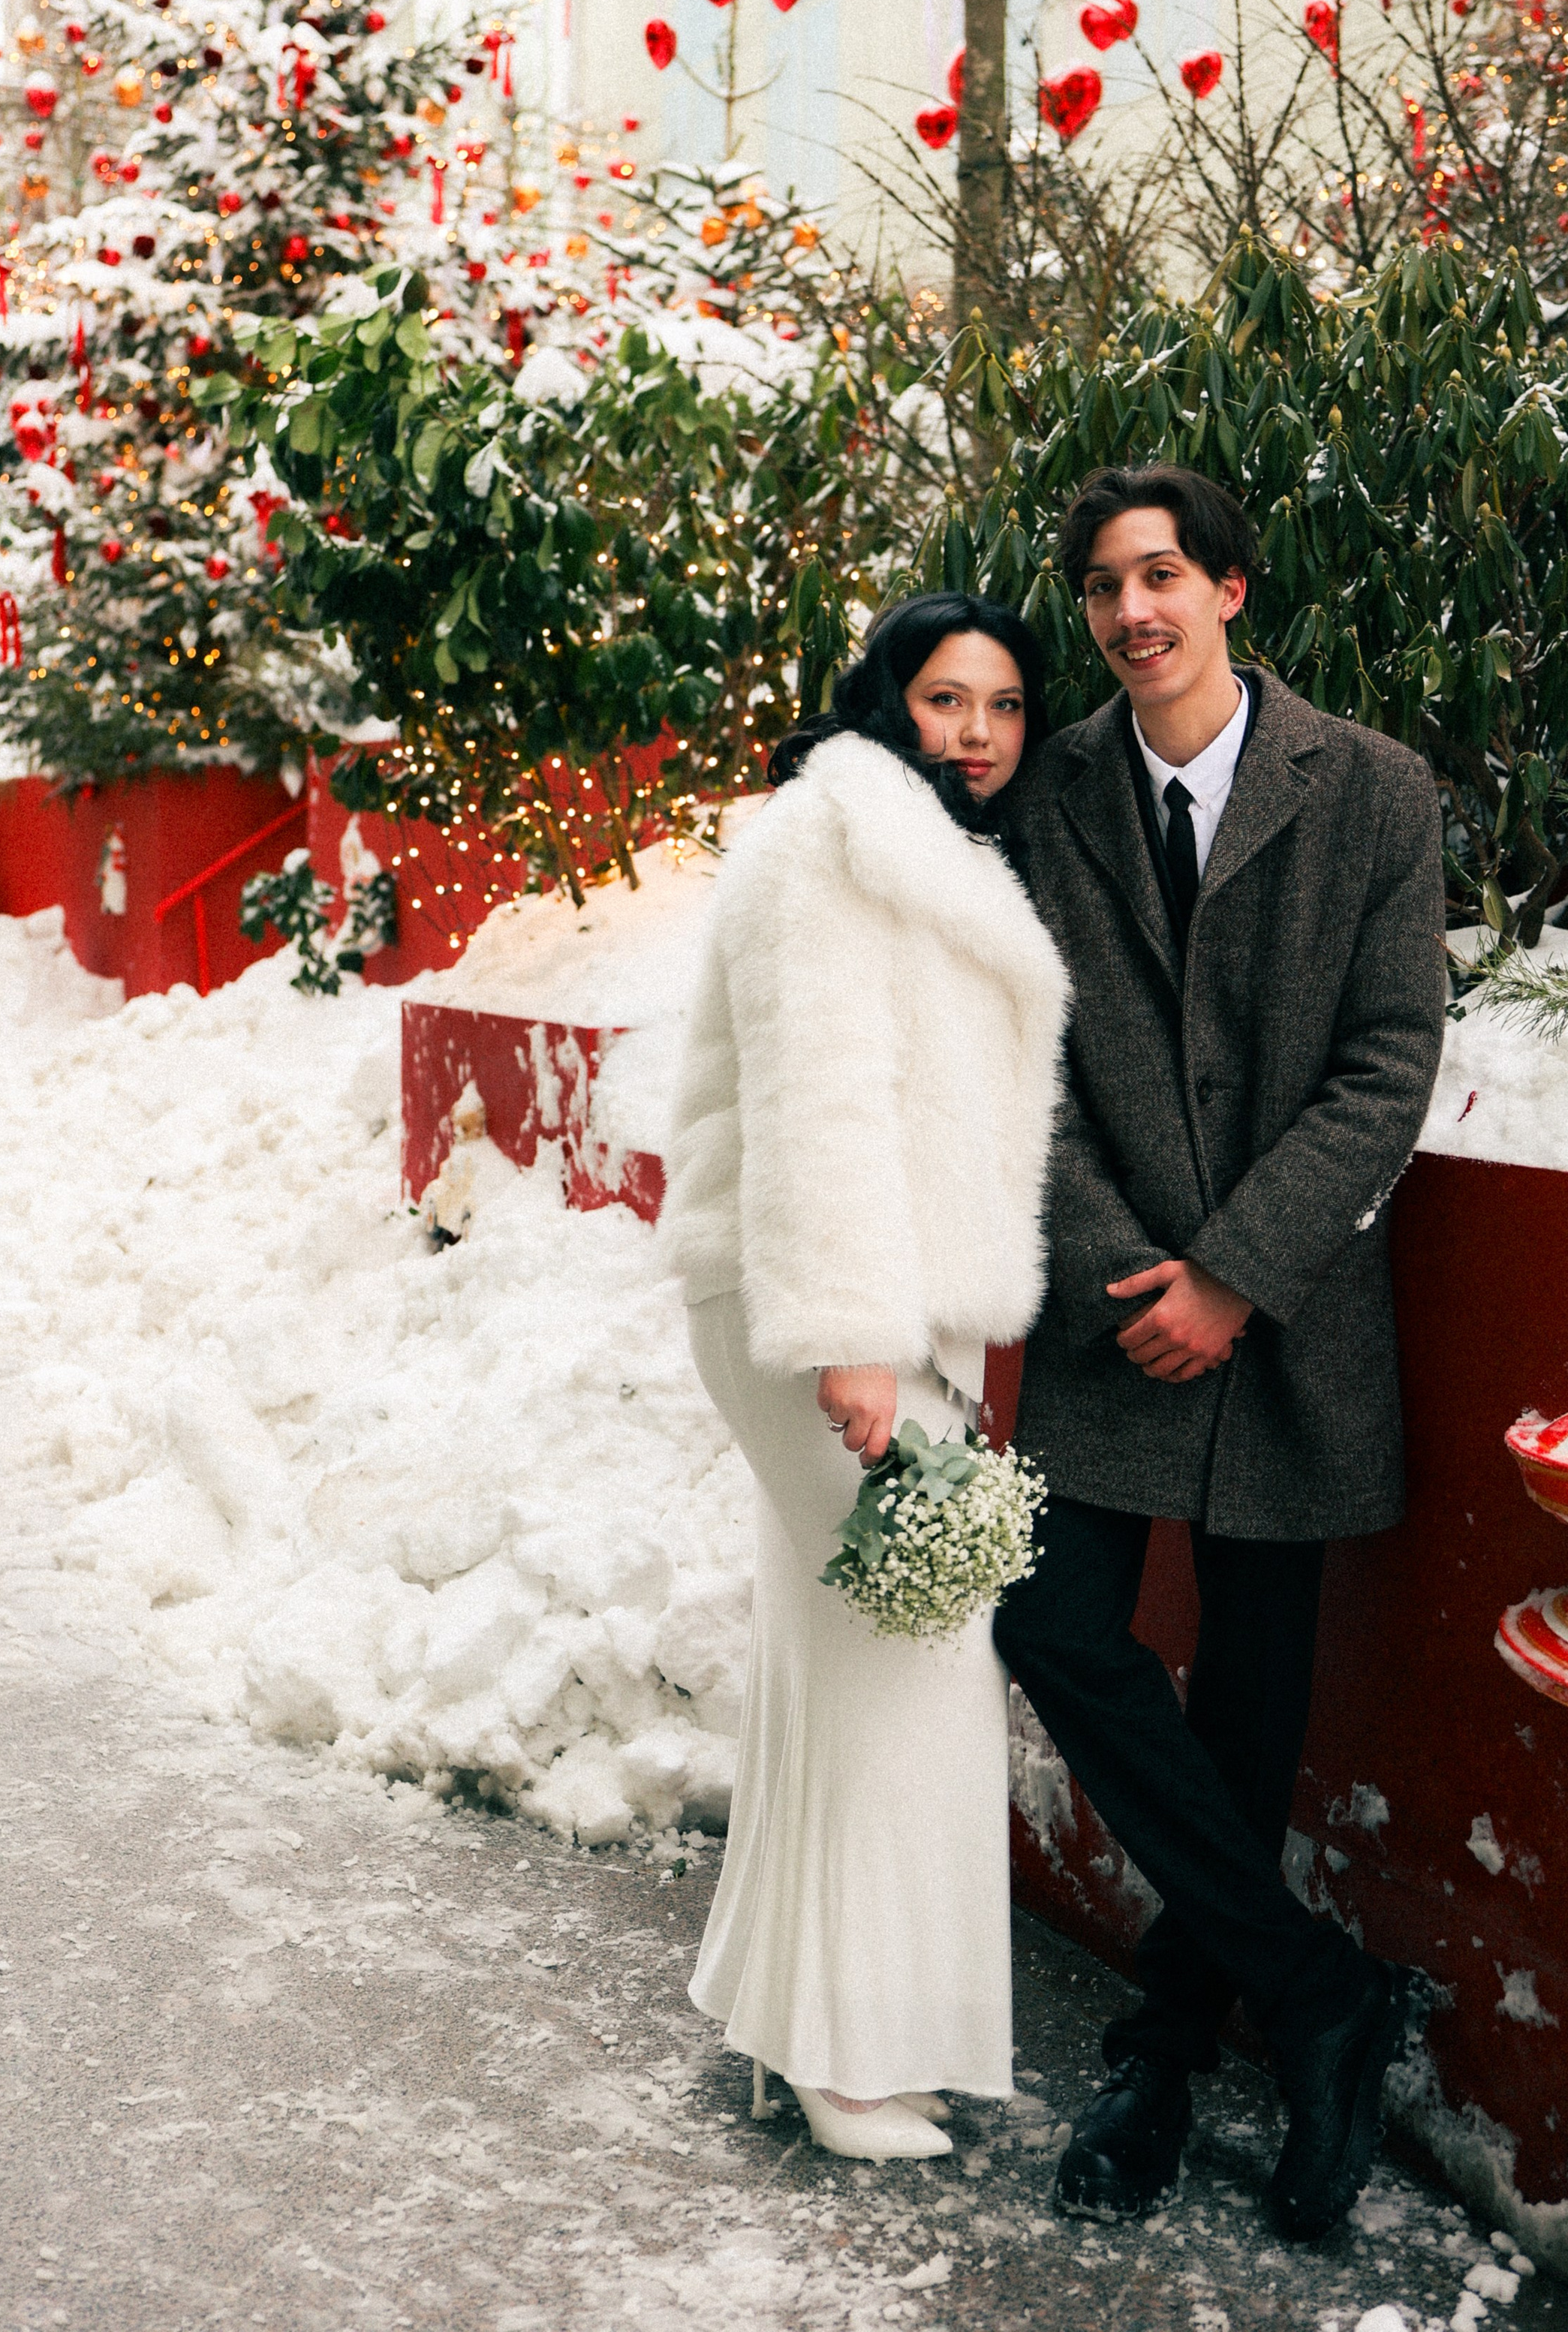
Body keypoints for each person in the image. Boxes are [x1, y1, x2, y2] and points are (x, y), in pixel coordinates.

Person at [997, 465, 1446, 2243]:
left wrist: (1236, 1279)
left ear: (1231, 590)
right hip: (1110, 1317)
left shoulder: (1372, 791)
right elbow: (1014, 1053)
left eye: (1161, 574)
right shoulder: (1050, 799)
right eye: (1102, 587)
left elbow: (1386, 1057)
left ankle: (1168, 2043)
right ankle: (1316, 1987)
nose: (1130, 613)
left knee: (1251, 1709)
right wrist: (1129, 1272)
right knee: (1048, 1621)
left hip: (1289, 1324)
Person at [660, 593, 1071, 2161]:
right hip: (824, 1309)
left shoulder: (923, 849)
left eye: (1004, 704)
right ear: (882, 697)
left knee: (843, 1653)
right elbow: (817, 1092)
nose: (974, 728)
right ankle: (846, 2059)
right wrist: (853, 1338)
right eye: (944, 696)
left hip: (883, 1311)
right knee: (916, 1654)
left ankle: (796, 2027)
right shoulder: (824, 836)